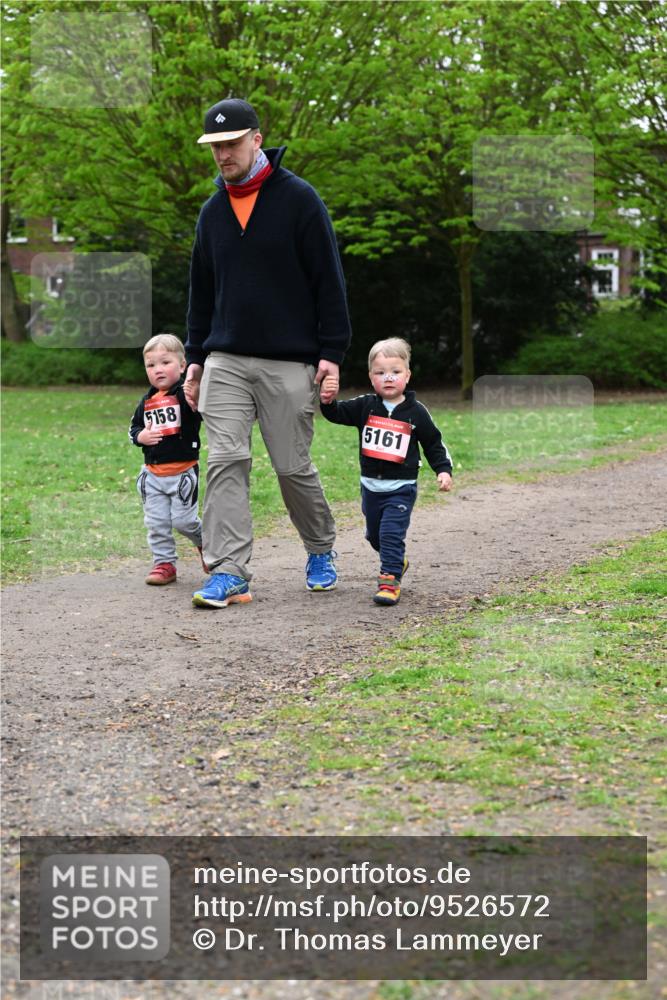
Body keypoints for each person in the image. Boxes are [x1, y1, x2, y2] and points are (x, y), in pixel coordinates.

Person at [183, 97, 351, 609]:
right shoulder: (212, 212)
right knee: (226, 460)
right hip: (226, 359)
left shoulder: (298, 199)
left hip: (288, 359)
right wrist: (194, 356)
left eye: (231, 144)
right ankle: (230, 570)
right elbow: (201, 290)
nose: (222, 155)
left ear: (257, 139)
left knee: (291, 466)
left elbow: (329, 278)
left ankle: (320, 548)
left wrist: (332, 351)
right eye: (214, 147)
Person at [320, 337, 453, 606]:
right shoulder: (364, 406)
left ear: (407, 375)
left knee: (391, 534)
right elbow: (336, 414)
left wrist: (443, 470)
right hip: (371, 487)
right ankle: (396, 559)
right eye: (381, 373)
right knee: (374, 536)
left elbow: (433, 443)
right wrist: (327, 400)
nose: (388, 378)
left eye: (395, 372)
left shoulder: (416, 412)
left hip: (401, 488)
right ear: (371, 378)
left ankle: (389, 580)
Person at [129, 334, 205, 587]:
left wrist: (195, 393)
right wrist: (142, 435)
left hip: (182, 472)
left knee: (183, 522)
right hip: (152, 474)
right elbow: (133, 428)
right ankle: (164, 563)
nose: (157, 369)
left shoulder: (188, 394)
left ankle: (207, 542)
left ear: (182, 366)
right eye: (151, 365)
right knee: (156, 522)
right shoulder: (147, 400)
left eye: (165, 363)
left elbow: (203, 411)